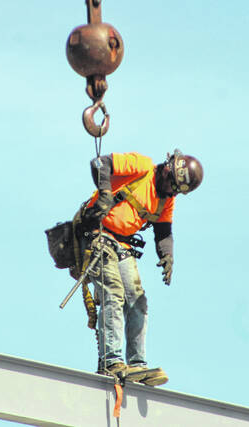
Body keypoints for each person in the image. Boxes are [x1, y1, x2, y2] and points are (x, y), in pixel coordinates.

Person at [77, 150, 203, 386]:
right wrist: (105, 193)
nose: (171, 190)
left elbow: (163, 231)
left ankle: (136, 364)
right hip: (97, 234)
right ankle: (111, 361)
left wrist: (167, 256)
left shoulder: (167, 199)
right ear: (168, 168)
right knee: (112, 293)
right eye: (171, 184)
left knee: (137, 300)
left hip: (122, 244)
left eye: (176, 189)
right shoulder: (142, 167)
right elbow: (99, 162)